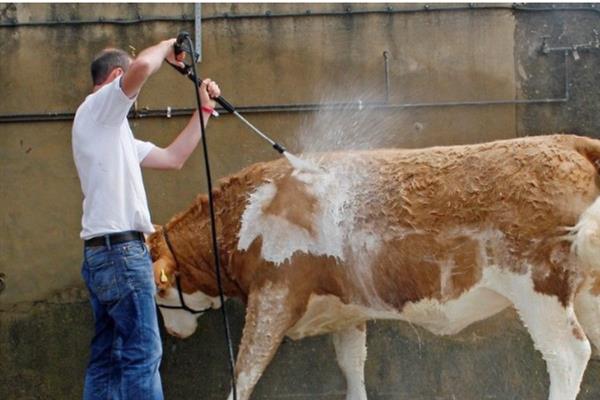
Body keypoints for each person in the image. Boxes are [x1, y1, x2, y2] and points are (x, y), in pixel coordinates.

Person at [71, 38, 220, 400]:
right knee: (144, 355)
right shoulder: (99, 108)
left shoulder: (110, 129)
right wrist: (169, 44)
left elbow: (173, 158)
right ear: (117, 76)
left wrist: (204, 110)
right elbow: (140, 68)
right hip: (122, 255)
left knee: (109, 357)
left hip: (102, 255)